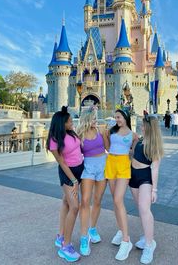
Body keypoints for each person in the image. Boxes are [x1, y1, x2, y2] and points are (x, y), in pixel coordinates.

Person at [46, 106, 83, 263]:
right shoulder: (54, 139)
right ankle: (66, 246)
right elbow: (61, 162)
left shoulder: (71, 133)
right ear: (62, 123)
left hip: (80, 169)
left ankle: (60, 236)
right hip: (68, 174)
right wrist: (74, 180)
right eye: (69, 121)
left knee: (66, 202)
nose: (71, 122)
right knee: (75, 207)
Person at [129, 113, 164, 264]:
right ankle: (147, 236)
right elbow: (132, 156)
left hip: (145, 178)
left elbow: (155, 168)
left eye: (143, 125)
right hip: (133, 177)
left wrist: (154, 190)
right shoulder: (140, 140)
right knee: (140, 208)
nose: (140, 127)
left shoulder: (153, 144)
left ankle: (149, 245)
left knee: (144, 209)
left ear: (149, 128)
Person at [104, 109, 138, 261]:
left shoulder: (133, 135)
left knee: (118, 200)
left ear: (125, 117)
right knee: (115, 201)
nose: (116, 119)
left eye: (118, 117)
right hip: (111, 162)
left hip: (124, 165)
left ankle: (126, 240)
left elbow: (134, 152)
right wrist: (104, 133)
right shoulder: (112, 131)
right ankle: (120, 229)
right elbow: (107, 147)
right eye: (116, 117)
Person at [76, 106, 108, 256]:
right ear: (87, 120)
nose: (96, 121)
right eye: (94, 118)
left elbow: (110, 148)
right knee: (85, 202)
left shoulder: (101, 130)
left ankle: (92, 228)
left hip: (102, 167)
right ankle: (84, 238)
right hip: (88, 168)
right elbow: (73, 153)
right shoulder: (79, 134)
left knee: (97, 200)